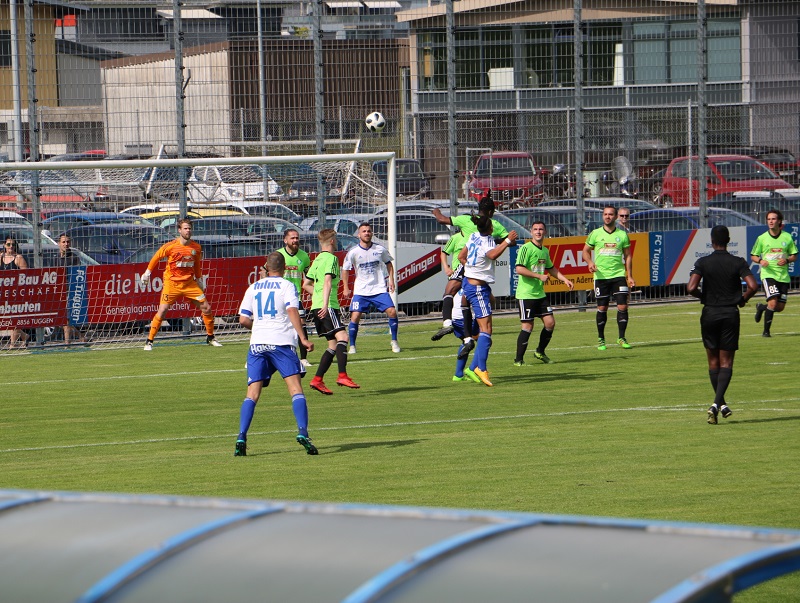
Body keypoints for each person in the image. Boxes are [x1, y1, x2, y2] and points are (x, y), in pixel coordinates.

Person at [235, 252, 317, 456]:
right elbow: (292, 311)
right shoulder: (287, 286)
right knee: (296, 390)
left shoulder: (253, 287)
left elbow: (243, 320)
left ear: (266, 267)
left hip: (257, 344)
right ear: (285, 268)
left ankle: (241, 435)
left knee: (252, 394)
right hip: (281, 342)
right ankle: (303, 432)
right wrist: (303, 338)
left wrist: (260, 327)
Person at [687, 225, 758, 425]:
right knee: (726, 362)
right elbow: (753, 286)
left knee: (713, 363)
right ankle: (717, 404)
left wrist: (704, 297)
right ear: (728, 240)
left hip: (709, 313)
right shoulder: (738, 262)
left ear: (712, 241)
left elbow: (691, 287)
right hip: (729, 313)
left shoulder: (703, 261)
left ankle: (720, 405)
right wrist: (742, 299)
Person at [431, 197, 510, 343]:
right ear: (491, 211)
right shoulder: (495, 225)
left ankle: (449, 323)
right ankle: (471, 335)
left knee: (450, 292)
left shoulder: (467, 220)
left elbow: (442, 220)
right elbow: (508, 241)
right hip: (481, 268)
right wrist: (494, 240)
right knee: (479, 300)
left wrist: (435, 211)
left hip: (467, 264)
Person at [140, 218, 222, 351]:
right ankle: (149, 341)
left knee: (206, 308)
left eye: (189, 228)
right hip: (172, 284)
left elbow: (196, 265)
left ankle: (211, 337)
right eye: (185, 228)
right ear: (179, 230)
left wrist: (199, 279)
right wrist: (147, 273)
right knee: (162, 311)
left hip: (190, 284)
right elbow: (156, 257)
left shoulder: (196, 247)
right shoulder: (171, 246)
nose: (188, 230)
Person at [456, 215, 518, 386]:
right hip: (477, 288)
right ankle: (480, 368)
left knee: (483, 330)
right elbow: (492, 255)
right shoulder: (488, 242)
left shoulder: (473, 236)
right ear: (490, 228)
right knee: (487, 330)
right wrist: (507, 241)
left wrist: (472, 269)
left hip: (471, 283)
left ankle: (472, 367)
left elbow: (462, 256)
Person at [302, 228, 359, 394]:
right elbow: (327, 281)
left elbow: (306, 284)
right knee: (343, 337)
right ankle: (342, 375)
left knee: (332, 345)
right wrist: (325, 303)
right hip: (327, 307)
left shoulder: (317, 259)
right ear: (332, 241)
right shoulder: (332, 259)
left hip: (316, 307)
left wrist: (319, 299)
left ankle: (317, 379)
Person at [514, 221, 574, 365]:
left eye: (541, 229)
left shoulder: (544, 251)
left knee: (550, 323)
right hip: (526, 294)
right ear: (531, 232)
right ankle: (518, 360)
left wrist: (565, 279)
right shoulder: (526, 248)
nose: (538, 232)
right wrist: (539, 276)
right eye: (535, 229)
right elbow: (519, 269)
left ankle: (540, 351)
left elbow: (551, 268)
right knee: (528, 326)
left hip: (539, 294)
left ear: (545, 232)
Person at [582, 205, 635, 350]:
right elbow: (585, 252)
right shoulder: (596, 234)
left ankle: (621, 338)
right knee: (602, 307)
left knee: (623, 306)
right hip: (601, 277)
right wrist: (590, 262)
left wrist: (629, 275)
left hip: (618, 275)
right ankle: (601, 339)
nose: (607, 216)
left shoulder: (622, 235)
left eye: (611, 214)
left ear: (616, 216)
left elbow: (628, 255)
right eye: (605, 214)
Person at [342, 222, 400, 354]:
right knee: (355, 316)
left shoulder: (380, 249)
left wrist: (391, 280)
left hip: (378, 289)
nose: (367, 233)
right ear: (359, 235)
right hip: (361, 291)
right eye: (364, 231)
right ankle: (352, 346)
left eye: (369, 231)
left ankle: (394, 341)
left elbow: (389, 264)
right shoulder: (353, 252)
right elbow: (345, 269)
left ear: (371, 233)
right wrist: (345, 287)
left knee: (392, 311)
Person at [750, 209, 798, 338]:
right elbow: (753, 256)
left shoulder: (787, 237)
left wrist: (787, 260)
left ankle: (761, 307)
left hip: (783, 276)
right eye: (769, 219)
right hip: (768, 275)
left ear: (779, 221)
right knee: (773, 302)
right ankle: (766, 332)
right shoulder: (762, 238)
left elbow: (794, 255)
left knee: (780, 307)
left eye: (773, 219)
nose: (771, 221)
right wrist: (761, 261)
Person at [276, 228, 313, 366]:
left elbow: (309, 276)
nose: (295, 240)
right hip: (279, 296)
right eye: (292, 238)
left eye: (297, 238)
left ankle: (303, 358)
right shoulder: (278, 255)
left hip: (295, 297)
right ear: (285, 240)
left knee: (301, 324)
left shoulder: (304, 256)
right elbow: (265, 270)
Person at [430, 229, 466, 341]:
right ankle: (451, 326)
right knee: (453, 299)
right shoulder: (455, 238)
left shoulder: (475, 236)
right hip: (457, 273)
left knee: (463, 303)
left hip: (470, 272)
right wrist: (446, 267)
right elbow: (444, 253)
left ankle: (450, 325)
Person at [53, 234, 85, 345]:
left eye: (68, 242)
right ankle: (80, 336)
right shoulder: (55, 258)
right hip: (58, 291)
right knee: (61, 318)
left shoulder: (73, 258)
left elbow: (77, 275)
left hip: (70, 290)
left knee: (66, 318)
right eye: (64, 242)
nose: (66, 244)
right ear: (58, 243)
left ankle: (67, 342)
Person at [1, 237, 29, 348]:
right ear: (4, 245)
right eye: (8, 244)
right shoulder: (1, 257)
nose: (11, 246)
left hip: (16, 292)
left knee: (13, 317)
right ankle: (24, 336)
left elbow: (26, 275)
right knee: (7, 318)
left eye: (13, 244)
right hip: (4, 292)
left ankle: (12, 344)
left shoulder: (18, 258)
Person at [449, 289, 480, 382]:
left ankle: (458, 375)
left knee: (466, 342)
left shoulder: (460, 283)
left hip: (455, 318)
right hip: (465, 317)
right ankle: (472, 369)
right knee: (484, 342)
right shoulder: (476, 282)